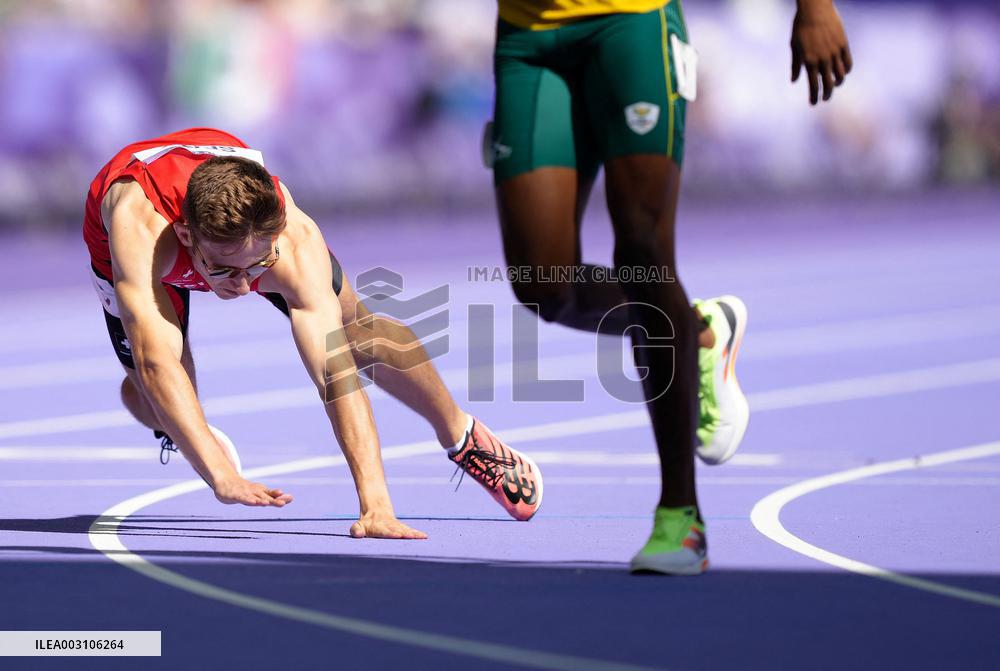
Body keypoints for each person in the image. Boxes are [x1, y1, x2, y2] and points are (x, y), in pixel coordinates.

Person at [487, 0, 851, 573]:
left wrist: (815, 7)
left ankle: (680, 516)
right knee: (543, 285)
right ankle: (700, 330)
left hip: (631, 23)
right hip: (527, 39)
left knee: (642, 252)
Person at [83, 127, 543, 539]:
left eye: (257, 267)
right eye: (223, 270)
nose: (243, 286)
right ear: (187, 236)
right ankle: (177, 427)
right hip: (132, 231)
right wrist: (220, 474)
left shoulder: (295, 242)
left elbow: (335, 376)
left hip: (228, 193)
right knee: (155, 389)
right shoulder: (140, 229)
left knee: (356, 328)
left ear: (276, 235)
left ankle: (462, 434)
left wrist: (376, 505)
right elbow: (155, 362)